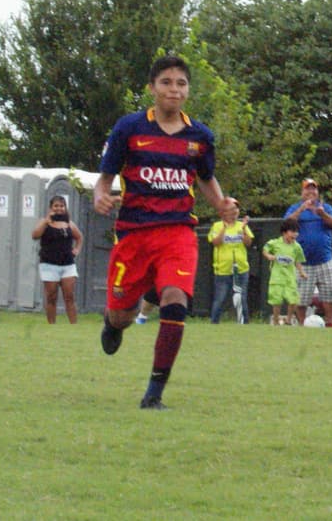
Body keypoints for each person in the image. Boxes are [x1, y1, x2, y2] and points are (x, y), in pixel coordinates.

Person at [93, 54, 232, 411]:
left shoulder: (199, 137)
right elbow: (106, 178)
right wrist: (100, 197)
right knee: (123, 314)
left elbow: (205, 177)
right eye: (167, 82)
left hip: (177, 232)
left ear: (188, 90)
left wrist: (220, 205)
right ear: (152, 88)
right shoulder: (129, 128)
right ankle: (113, 323)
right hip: (134, 234)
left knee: (175, 299)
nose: (174, 89)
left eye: (181, 83)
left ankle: (154, 394)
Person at [285, 179, 332, 326]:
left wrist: (322, 214)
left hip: (325, 258)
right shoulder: (295, 208)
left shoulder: (325, 208)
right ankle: (302, 323)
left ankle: (329, 322)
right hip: (303, 261)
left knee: (330, 293)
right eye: (307, 189)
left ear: (317, 192)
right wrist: (301, 209)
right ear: (302, 193)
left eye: (313, 189)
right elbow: (286, 224)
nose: (311, 192)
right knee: (301, 297)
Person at [30, 195, 83, 324]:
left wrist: (77, 249)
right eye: (56, 206)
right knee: (52, 297)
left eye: (61, 206)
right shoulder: (45, 222)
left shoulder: (69, 223)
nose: (59, 209)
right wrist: (45, 221)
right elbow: (35, 235)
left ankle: (74, 325)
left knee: (69, 296)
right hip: (49, 264)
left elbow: (79, 237)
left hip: (67, 265)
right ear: (51, 207)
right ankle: (51, 324)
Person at [207, 197, 254, 324]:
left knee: (242, 297)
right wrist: (224, 228)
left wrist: (244, 229)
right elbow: (216, 242)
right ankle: (214, 323)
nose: (235, 211)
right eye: (231, 209)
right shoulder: (216, 226)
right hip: (223, 269)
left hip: (241, 268)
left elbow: (248, 243)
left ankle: (244, 323)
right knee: (220, 298)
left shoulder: (241, 225)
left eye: (236, 208)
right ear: (223, 212)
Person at [263, 218, 306, 326]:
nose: (295, 234)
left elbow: (298, 261)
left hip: (290, 277)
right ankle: (276, 320)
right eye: (292, 231)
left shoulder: (297, 247)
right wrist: (269, 256)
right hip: (277, 277)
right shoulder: (275, 243)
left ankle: (289, 319)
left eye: (296, 232)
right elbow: (265, 249)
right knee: (276, 300)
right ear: (284, 232)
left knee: (293, 299)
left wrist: (301, 272)